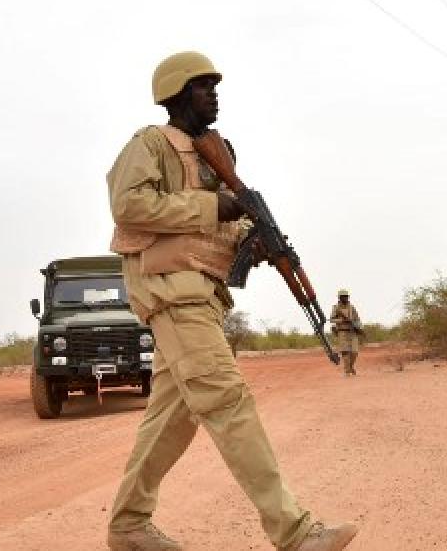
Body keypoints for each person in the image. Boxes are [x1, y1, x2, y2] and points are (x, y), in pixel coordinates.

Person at [103, 52, 356, 551]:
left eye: (215, 86)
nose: (214, 93)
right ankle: (295, 533)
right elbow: (128, 205)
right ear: (176, 93)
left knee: (170, 422)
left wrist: (250, 239)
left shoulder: (215, 154)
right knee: (229, 403)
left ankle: (128, 526)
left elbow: (218, 223)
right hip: (172, 292)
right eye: (202, 86)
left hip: (201, 297)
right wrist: (212, 204)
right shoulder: (151, 143)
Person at [329, 289, 362, 377]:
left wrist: (358, 327)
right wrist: (342, 320)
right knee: (345, 352)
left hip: (352, 331)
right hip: (342, 332)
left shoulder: (352, 307)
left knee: (355, 352)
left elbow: (357, 319)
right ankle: (347, 371)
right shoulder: (336, 307)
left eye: (346, 296)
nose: (345, 298)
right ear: (339, 298)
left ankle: (350, 367)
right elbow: (331, 319)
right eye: (343, 296)